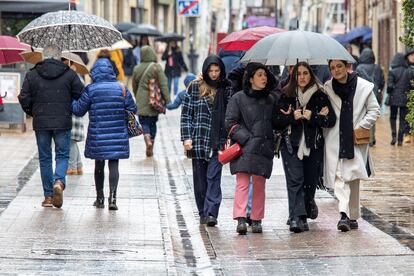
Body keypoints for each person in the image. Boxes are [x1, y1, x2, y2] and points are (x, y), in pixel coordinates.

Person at [18, 44, 84, 208]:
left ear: (43, 57)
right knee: (62, 155)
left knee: (45, 158)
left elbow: (24, 96)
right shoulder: (69, 74)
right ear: (59, 56)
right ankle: (59, 181)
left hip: (41, 122)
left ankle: (48, 196)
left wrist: (33, 112)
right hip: (63, 121)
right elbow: (81, 94)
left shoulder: (32, 74)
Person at [274, 62, 336, 233]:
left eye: (305, 73)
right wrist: (291, 117)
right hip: (290, 145)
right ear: (293, 76)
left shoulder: (320, 95)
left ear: (311, 75)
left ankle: (307, 207)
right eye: (298, 74)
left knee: (309, 181)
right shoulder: (286, 94)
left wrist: (313, 116)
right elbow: (276, 120)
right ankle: (297, 217)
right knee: (295, 180)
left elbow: (330, 120)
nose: (301, 77)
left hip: (313, 145)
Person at [72, 58, 137, 210]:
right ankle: (113, 198)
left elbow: (78, 110)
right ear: (111, 71)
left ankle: (99, 198)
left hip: (98, 134)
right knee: (114, 164)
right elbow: (132, 108)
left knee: (99, 165)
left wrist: (69, 99)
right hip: (117, 134)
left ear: (94, 72)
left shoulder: (91, 89)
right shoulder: (121, 88)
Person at [324, 59, 380, 232]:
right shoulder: (327, 87)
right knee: (340, 176)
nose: (336, 70)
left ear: (347, 67)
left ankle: (352, 215)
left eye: (339, 66)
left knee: (353, 178)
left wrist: (361, 126)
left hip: (354, 139)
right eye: (332, 68)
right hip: (335, 140)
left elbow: (374, 110)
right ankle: (343, 214)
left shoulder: (364, 86)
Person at [225, 63, 278, 235]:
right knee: (242, 183)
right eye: (260, 75)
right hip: (244, 147)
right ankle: (240, 218)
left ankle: (256, 219)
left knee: (259, 184)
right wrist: (246, 138)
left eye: (265, 75)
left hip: (263, 147)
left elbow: (275, 122)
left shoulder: (270, 99)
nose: (264, 78)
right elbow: (230, 122)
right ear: (250, 78)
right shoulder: (238, 98)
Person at [181, 55, 233, 227]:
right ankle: (203, 211)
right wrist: (186, 138)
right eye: (210, 71)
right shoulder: (195, 87)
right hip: (198, 140)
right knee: (200, 180)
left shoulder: (226, 89)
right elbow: (186, 114)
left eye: (217, 70)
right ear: (205, 70)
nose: (214, 74)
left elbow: (231, 114)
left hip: (218, 141)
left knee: (214, 177)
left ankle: (211, 213)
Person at [132, 46, 170, 157]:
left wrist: (137, 95)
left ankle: (147, 139)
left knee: (144, 123)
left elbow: (134, 85)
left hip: (141, 99)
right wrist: (167, 100)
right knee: (153, 123)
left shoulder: (137, 68)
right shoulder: (156, 67)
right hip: (154, 100)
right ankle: (151, 145)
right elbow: (163, 84)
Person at [355, 48, 385, 146]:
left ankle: (364, 137)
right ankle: (372, 138)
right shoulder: (377, 67)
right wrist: (378, 89)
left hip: (363, 95)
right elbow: (382, 81)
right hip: (375, 93)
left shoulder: (359, 68)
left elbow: (356, 82)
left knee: (363, 115)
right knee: (372, 115)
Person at [387, 52, 414, 146]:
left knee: (393, 117)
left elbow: (389, 86)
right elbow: (412, 86)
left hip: (394, 98)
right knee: (403, 119)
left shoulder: (392, 71)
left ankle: (394, 136)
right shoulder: (409, 71)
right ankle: (400, 140)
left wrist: (391, 90)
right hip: (405, 98)